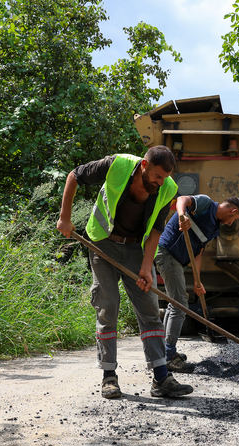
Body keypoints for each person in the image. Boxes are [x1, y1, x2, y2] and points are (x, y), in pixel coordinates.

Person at [56, 145, 194, 399]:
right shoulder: (116, 165)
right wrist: (65, 217)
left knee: (150, 308)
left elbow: (155, 231)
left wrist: (146, 268)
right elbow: (74, 176)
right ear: (144, 165)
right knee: (108, 306)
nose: (160, 182)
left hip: (135, 250)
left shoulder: (168, 189)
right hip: (102, 243)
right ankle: (109, 376)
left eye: (165, 177)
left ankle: (161, 377)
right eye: (156, 176)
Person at [154, 195, 239, 372]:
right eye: (234, 218)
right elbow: (182, 199)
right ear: (233, 211)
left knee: (175, 304)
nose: (230, 223)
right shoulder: (206, 203)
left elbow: (198, 252)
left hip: (178, 261)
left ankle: (164, 352)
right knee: (180, 305)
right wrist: (182, 215)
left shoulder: (214, 227)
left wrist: (197, 281)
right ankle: (168, 356)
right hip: (167, 254)